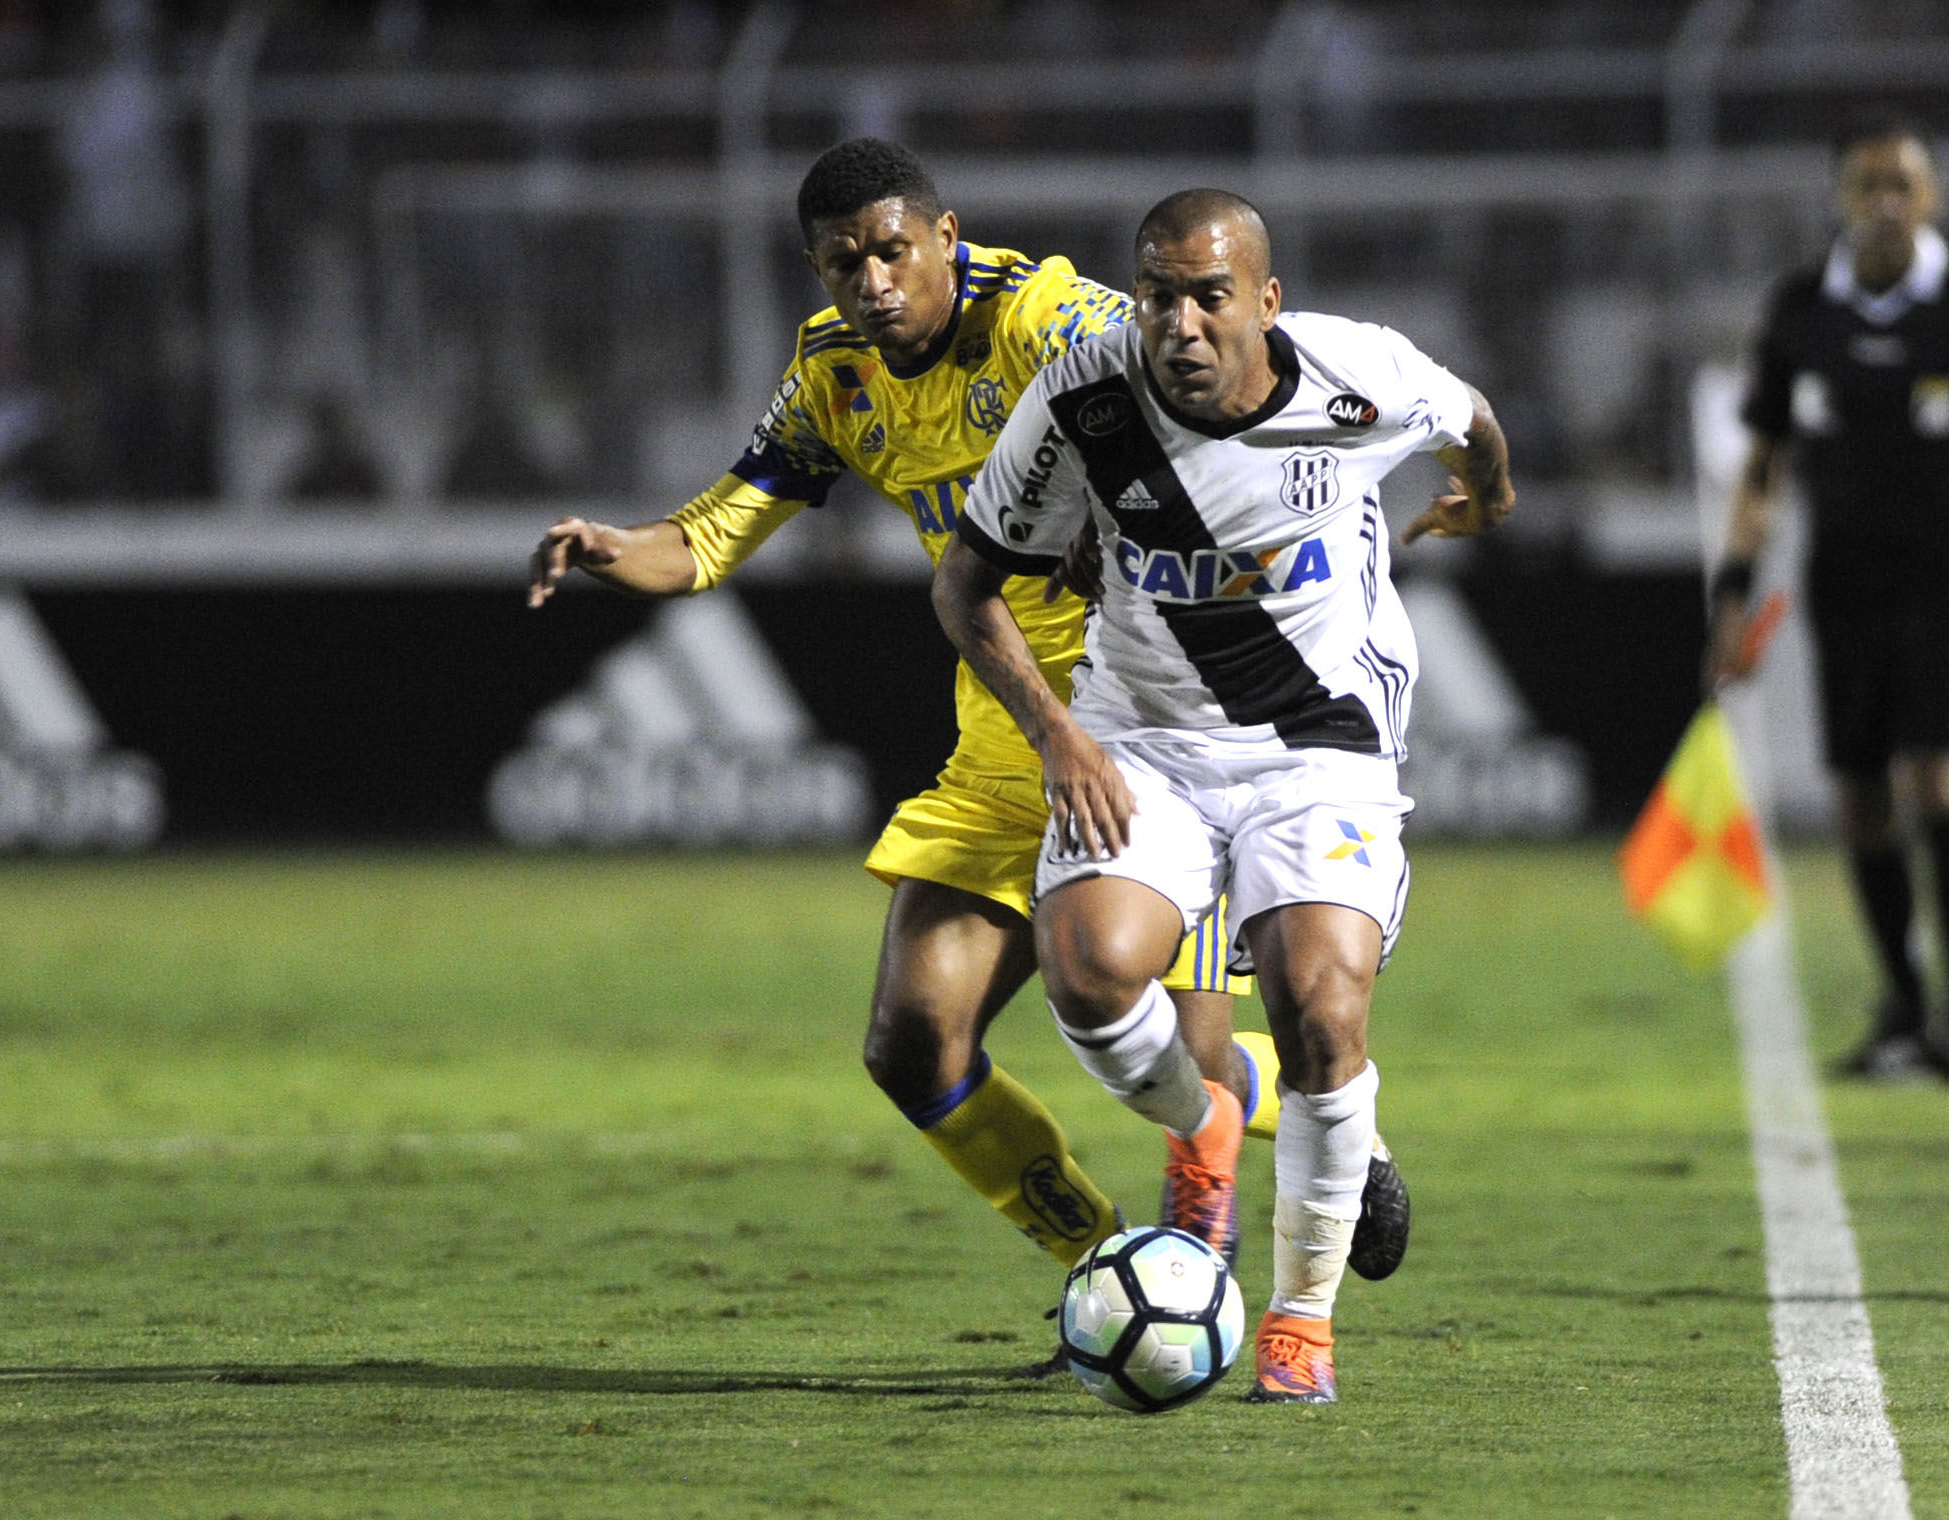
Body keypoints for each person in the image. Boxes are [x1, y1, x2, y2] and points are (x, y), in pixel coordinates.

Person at [527, 141, 1405, 1331]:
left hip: (1154, 731)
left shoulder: (1051, 323)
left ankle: (1297, 1105)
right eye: (844, 263)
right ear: (817, 270)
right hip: (1007, 740)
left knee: (1179, 1064)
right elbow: (717, 529)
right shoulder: (835, 378)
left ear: (945, 238)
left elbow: (1200, 383)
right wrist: (614, 550)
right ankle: (1112, 1272)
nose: (873, 281)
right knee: (912, 1040)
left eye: (894, 250)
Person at [933, 188, 1511, 1403]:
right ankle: (1207, 1110)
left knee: (1320, 1009)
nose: (1181, 323)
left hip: (1321, 744)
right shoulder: (1086, 402)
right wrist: (1057, 739)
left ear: (1265, 302)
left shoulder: (1358, 376)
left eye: (1208, 295)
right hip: (1145, 738)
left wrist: (1489, 494)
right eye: (1158, 295)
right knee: (1090, 979)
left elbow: (1473, 420)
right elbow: (967, 584)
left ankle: (1300, 1324)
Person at [1706, 115, 1949, 1086]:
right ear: (1841, 196)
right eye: (1866, 184)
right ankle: (1905, 1007)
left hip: (1940, 584)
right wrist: (1735, 592)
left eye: (1901, 184)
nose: (1884, 203)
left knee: (1943, 779)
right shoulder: (1798, 313)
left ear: (1932, 195)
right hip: (1842, 588)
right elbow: (1766, 466)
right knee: (1862, 799)